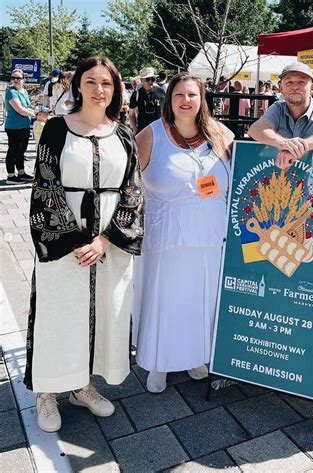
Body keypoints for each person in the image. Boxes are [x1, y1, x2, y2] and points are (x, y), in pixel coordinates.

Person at [25, 56, 144, 433]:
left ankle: (80, 385)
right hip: (65, 241)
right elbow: (44, 185)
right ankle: (46, 390)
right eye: (90, 81)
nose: (98, 89)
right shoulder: (58, 129)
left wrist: (107, 239)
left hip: (109, 240)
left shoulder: (123, 133)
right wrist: (77, 240)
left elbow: (133, 190)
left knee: (100, 314)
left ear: (116, 89)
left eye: (106, 83)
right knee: (58, 312)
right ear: (78, 86)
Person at [132, 72, 234, 393]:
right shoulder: (151, 135)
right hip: (166, 237)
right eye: (179, 95)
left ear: (202, 99)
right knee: (166, 299)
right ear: (169, 99)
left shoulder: (220, 134)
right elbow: (128, 185)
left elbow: (244, 171)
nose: (186, 100)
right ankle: (159, 361)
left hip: (208, 235)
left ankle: (195, 356)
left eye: (192, 94)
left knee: (201, 299)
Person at [248, 62, 313, 169]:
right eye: (289, 82)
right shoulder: (278, 108)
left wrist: (298, 148)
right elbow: (255, 129)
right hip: (280, 181)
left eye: (301, 82)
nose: (295, 87)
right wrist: (283, 143)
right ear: (281, 88)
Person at [4, 69, 37, 184]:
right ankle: (11, 176)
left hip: (24, 126)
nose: (15, 80)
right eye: (13, 78)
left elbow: (27, 106)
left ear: (24, 79)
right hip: (14, 127)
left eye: (18, 78)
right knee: (13, 151)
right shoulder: (11, 92)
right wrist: (36, 114)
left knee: (21, 151)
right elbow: (20, 110)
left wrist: (35, 110)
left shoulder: (23, 91)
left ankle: (21, 172)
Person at [128, 67, 166, 134]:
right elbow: (131, 115)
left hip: (160, 130)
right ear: (141, 80)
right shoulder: (136, 94)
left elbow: (165, 111)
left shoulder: (161, 92)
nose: (150, 82)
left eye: (153, 79)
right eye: (147, 79)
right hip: (143, 131)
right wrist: (136, 130)